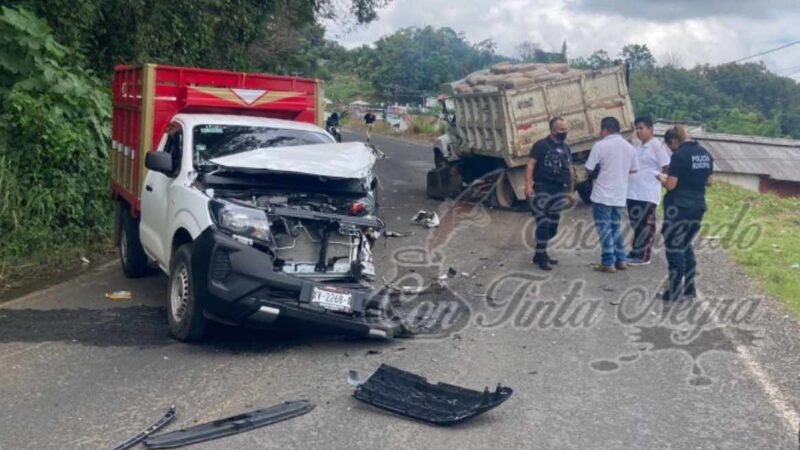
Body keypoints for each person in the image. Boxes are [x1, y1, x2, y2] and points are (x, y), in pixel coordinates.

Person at [657, 125, 714, 301]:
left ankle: (674, 291)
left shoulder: (679, 156)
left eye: (669, 145)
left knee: (674, 248)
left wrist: (661, 178)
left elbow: (671, 185)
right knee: (686, 245)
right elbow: (709, 182)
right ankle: (690, 289)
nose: (670, 149)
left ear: (673, 141)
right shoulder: (704, 153)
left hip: (679, 207)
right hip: (698, 206)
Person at [585, 117, 638, 273]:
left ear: (604, 130)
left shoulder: (600, 146)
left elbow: (589, 168)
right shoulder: (630, 148)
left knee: (604, 229)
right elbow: (634, 170)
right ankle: (621, 260)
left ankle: (608, 262)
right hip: (619, 195)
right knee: (616, 227)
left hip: (602, 195)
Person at [524, 117, 576, 271]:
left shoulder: (566, 147)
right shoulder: (541, 145)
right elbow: (530, 164)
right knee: (543, 224)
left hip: (559, 190)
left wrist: (571, 192)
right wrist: (527, 186)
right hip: (543, 188)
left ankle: (539, 254)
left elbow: (570, 169)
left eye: (566, 129)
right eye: (561, 130)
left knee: (552, 226)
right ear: (552, 130)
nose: (564, 132)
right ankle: (542, 257)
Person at [626, 116, 671, 266]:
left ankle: (644, 256)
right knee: (636, 224)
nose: (639, 131)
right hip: (633, 192)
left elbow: (666, 166)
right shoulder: (639, 146)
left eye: (641, 128)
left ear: (650, 129)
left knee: (646, 225)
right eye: (637, 129)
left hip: (647, 193)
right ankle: (635, 251)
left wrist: (661, 179)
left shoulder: (657, 146)